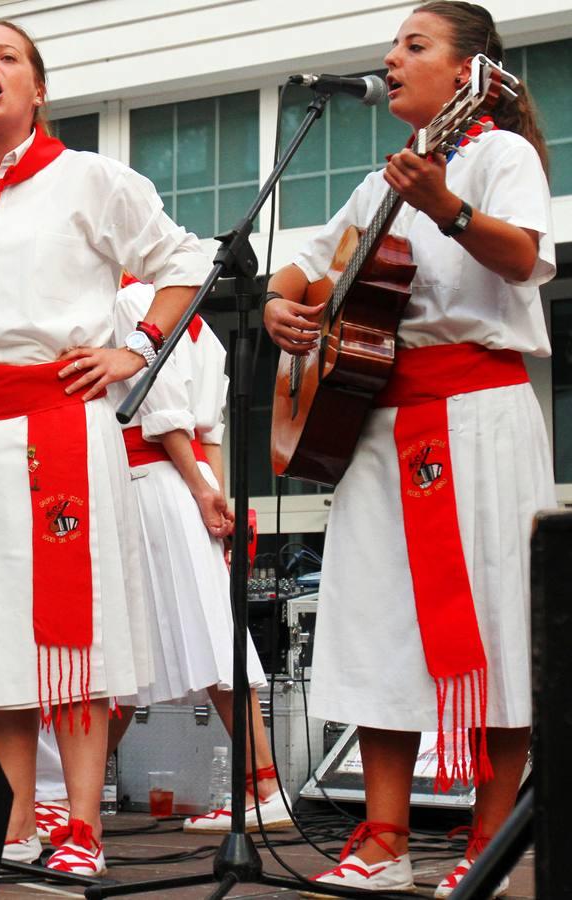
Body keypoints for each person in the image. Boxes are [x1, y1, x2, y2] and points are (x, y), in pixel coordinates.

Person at [0, 19, 210, 877]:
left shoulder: (92, 180)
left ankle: (85, 825)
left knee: (76, 631)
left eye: (6, 57)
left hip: (61, 422)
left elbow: (186, 261)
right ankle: (17, 820)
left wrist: (136, 349)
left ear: (38, 88)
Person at [264, 2, 556, 896]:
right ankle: (382, 843)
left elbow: (523, 258)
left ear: (468, 73)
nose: (390, 57)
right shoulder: (378, 184)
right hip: (381, 425)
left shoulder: (500, 155)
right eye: (392, 43)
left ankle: (491, 842)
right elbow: (305, 268)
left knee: (496, 623)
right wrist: (279, 307)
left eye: (414, 44)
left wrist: (449, 208)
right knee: (376, 625)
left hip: (477, 417)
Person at [106, 274, 292, 832]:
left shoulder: (132, 300)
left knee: (131, 649)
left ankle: (70, 797)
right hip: (186, 488)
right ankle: (262, 783)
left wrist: (201, 490)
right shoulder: (204, 330)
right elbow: (209, 431)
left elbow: (165, 419)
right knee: (196, 639)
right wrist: (213, 496)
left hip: (147, 483)